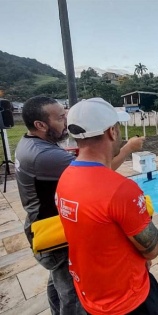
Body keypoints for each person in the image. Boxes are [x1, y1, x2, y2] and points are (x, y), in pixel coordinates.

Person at [14, 96, 144, 315]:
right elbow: (98, 170)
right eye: (60, 117)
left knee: (57, 281)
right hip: (55, 230)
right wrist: (129, 147)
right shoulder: (44, 156)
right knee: (73, 293)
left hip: (44, 225)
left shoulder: (29, 144)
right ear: (40, 125)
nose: (66, 122)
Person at [56, 98, 158, 315]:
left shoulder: (66, 177)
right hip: (128, 299)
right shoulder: (121, 190)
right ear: (112, 132)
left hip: (91, 294)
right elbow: (153, 249)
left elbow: (101, 178)